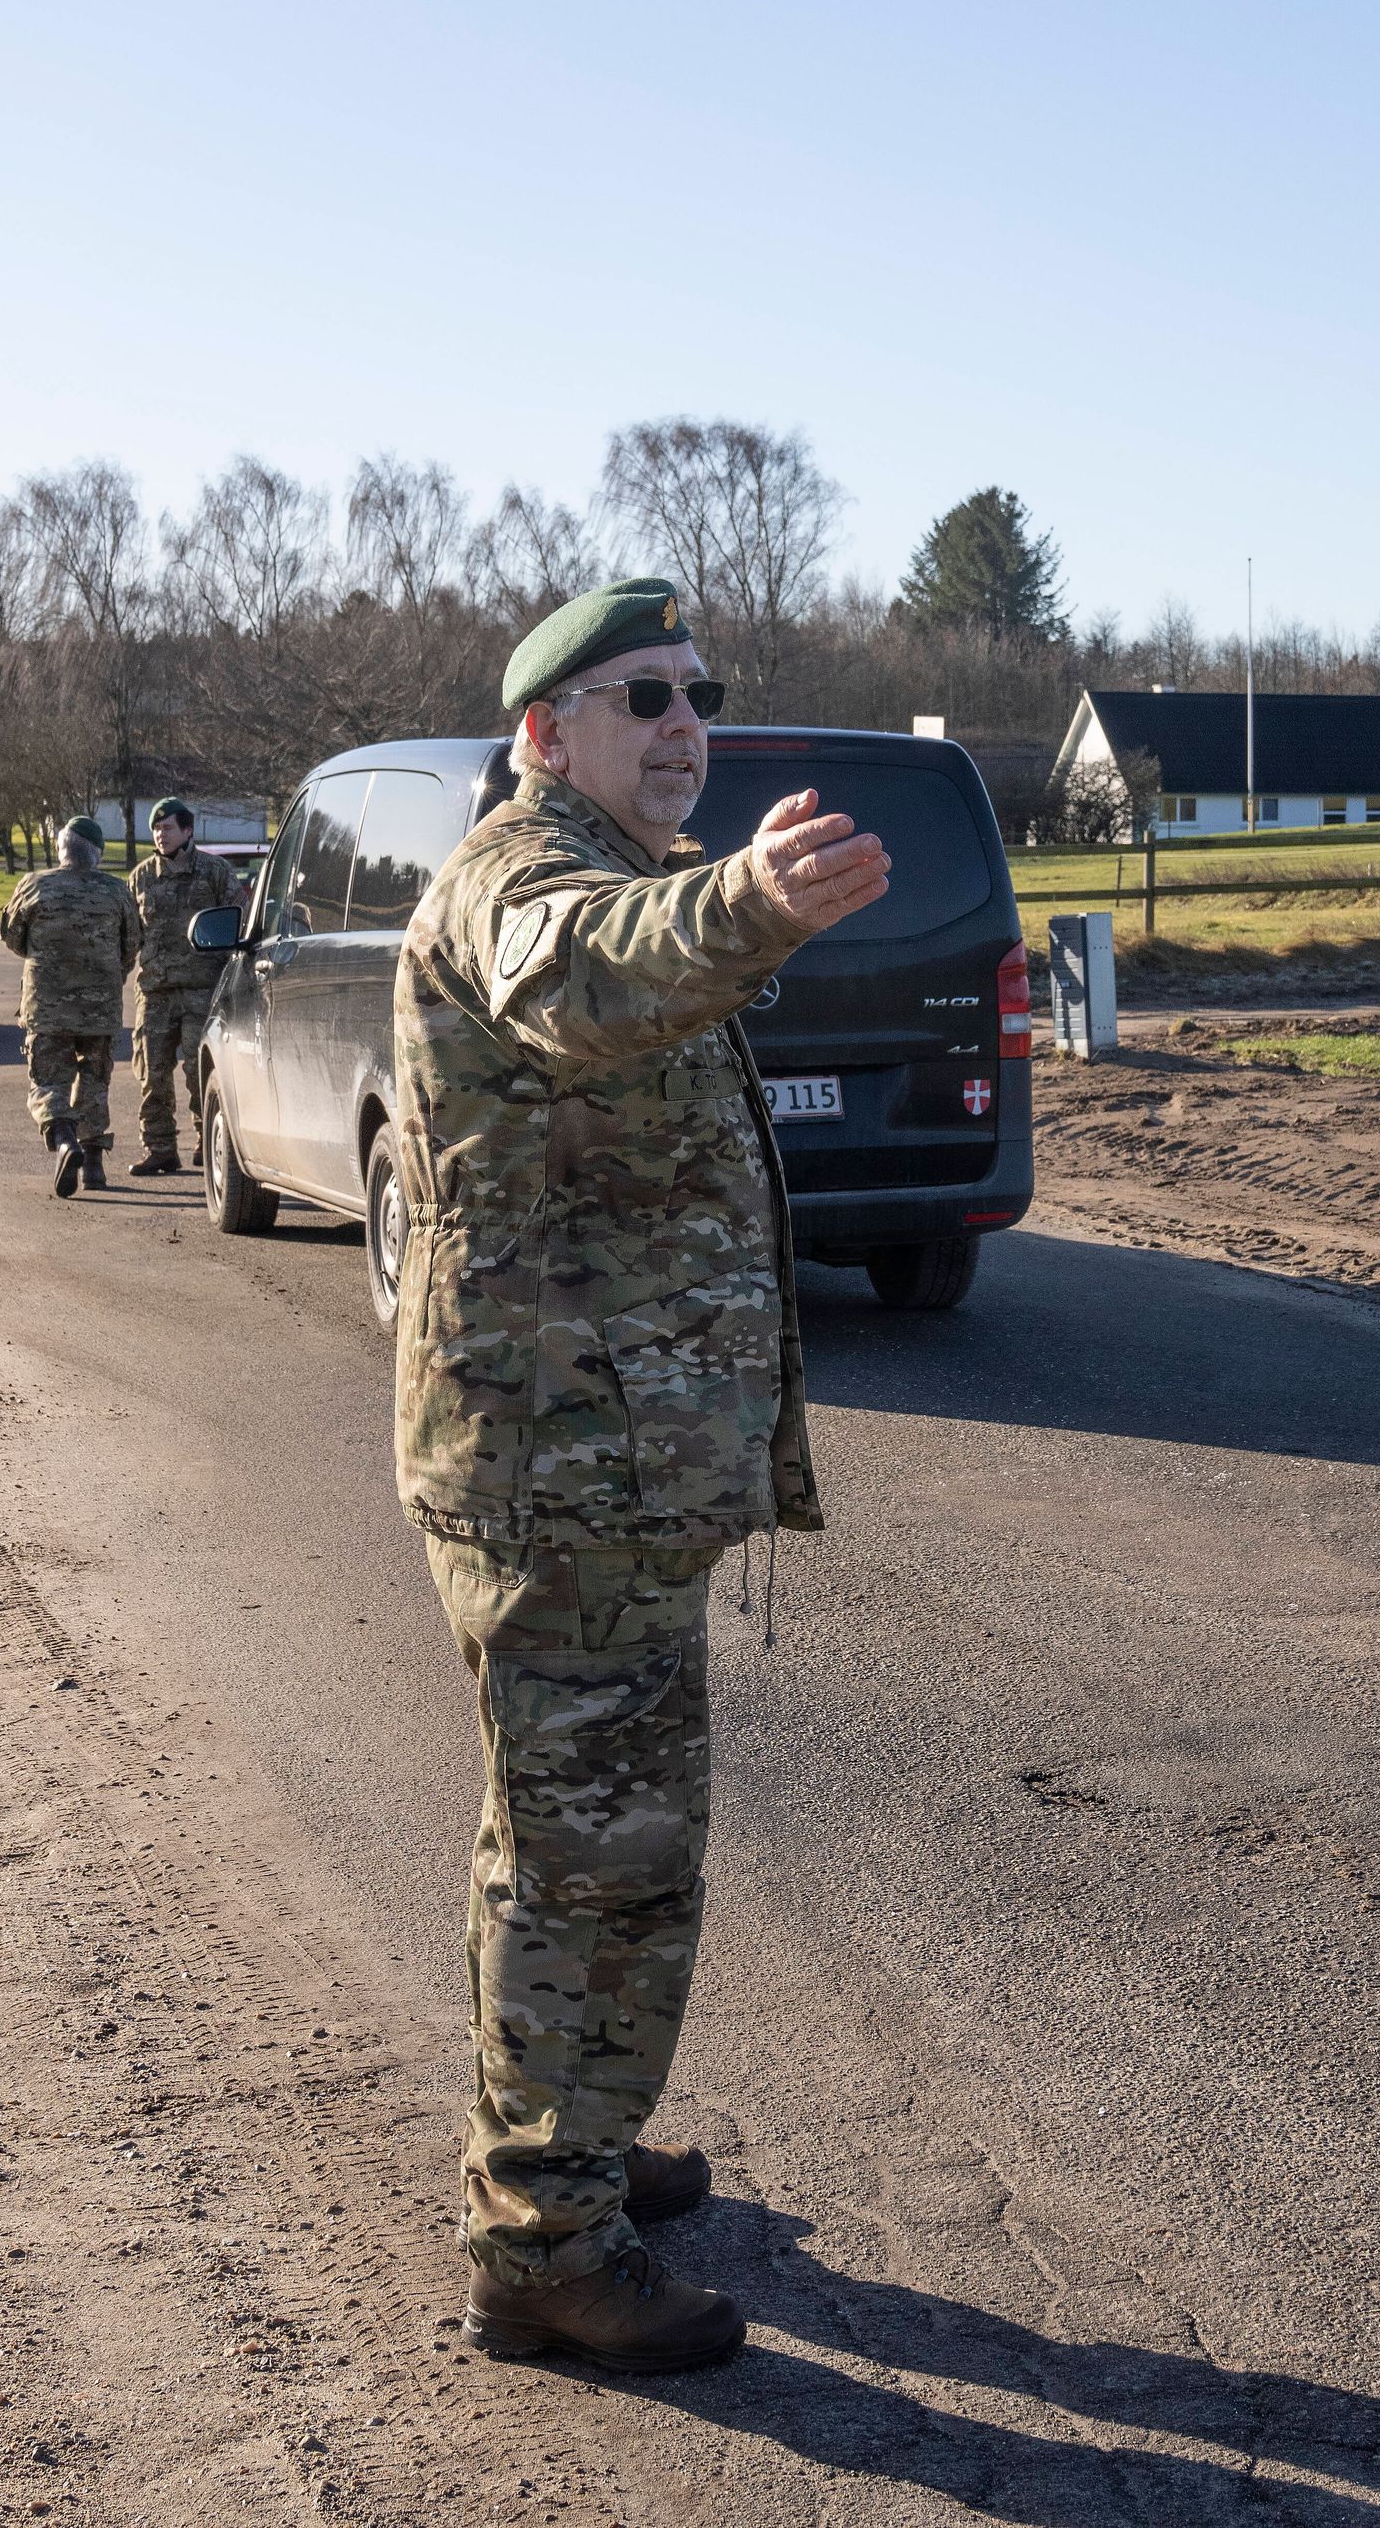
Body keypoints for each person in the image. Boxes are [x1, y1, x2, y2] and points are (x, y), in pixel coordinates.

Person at [389, 578, 886, 2372]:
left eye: (696, 692)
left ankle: (565, 2143)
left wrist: (723, 897)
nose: (683, 721)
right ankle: (542, 2248)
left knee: (568, 1846)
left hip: (598, 1477)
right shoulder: (528, 880)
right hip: (559, 1483)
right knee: (600, 1870)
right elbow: (585, 978)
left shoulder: (592, 859)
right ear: (544, 734)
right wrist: (748, 897)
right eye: (636, 697)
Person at [0, 814, 137, 1197]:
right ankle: (94, 1168)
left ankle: (65, 1142)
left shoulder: (33, 886)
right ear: (97, 854)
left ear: (61, 849)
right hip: (101, 1007)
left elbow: (13, 938)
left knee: (49, 1081)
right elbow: (132, 945)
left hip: (47, 1007)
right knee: (95, 1082)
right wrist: (108, 973)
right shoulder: (116, 892)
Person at [121, 797, 248, 1176]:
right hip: (155, 993)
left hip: (202, 991)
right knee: (151, 1074)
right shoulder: (141, 877)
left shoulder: (214, 871)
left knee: (201, 1073)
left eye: (169, 828)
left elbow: (239, 919)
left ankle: (206, 1142)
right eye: (157, 829)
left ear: (188, 830)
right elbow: (129, 934)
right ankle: (159, 1147)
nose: (162, 835)